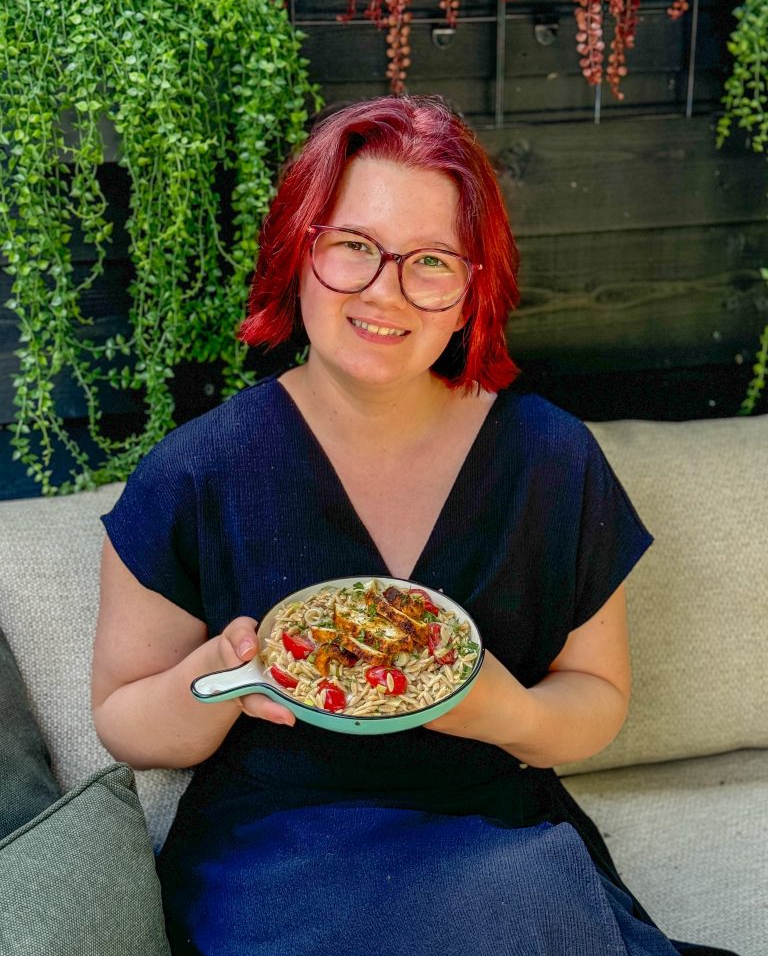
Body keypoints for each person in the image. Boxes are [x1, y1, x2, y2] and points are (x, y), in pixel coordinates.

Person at [92, 96, 737, 956]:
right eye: (353, 246)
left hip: (495, 839)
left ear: (474, 290)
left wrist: (501, 708)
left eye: (431, 261)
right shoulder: (196, 471)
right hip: (277, 858)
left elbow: (597, 699)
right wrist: (217, 678)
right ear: (300, 251)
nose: (384, 291)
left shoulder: (551, 458)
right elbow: (124, 721)